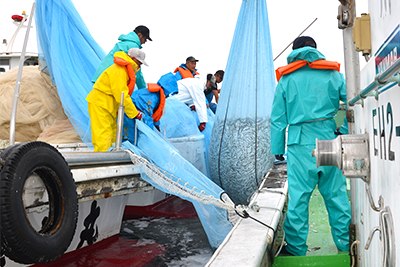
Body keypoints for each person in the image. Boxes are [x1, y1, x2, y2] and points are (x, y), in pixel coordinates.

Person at [271, 36, 351, 256]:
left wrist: (277, 147)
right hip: (328, 140)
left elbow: (278, 118)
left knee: (299, 196)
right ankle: (345, 246)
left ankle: (296, 248)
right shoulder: (333, 74)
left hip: (299, 143)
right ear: (316, 50)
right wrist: (342, 131)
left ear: (294, 51)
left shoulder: (286, 80)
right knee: (335, 194)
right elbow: (352, 103)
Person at [86, 48, 148, 152]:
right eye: (139, 63)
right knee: (103, 135)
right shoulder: (119, 70)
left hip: (107, 105)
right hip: (101, 103)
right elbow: (121, 94)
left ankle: (109, 159)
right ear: (133, 58)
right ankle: (102, 162)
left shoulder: (123, 69)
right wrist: (134, 113)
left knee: (112, 133)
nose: (139, 66)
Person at [92, 25, 152, 89]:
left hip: (101, 75)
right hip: (109, 80)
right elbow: (136, 70)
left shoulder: (124, 42)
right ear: (139, 35)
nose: (145, 42)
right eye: (145, 39)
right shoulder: (133, 46)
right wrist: (143, 89)